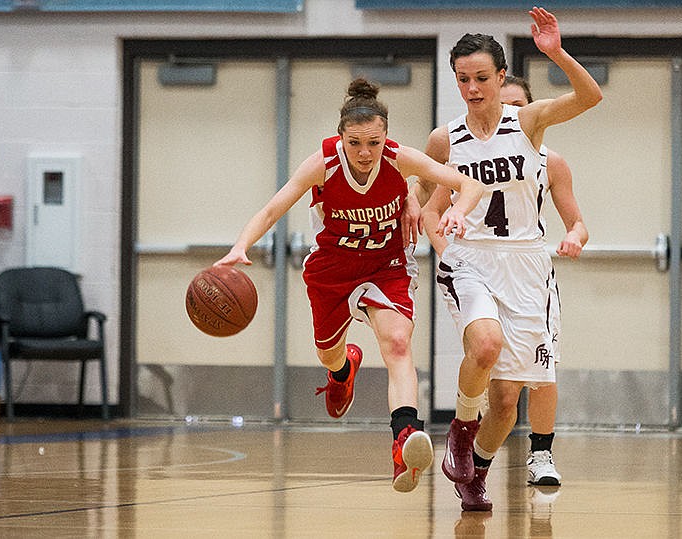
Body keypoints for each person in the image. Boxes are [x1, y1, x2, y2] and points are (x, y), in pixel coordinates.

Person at [215, 77, 483, 493]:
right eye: (355, 142)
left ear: (385, 137)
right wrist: (239, 246)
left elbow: (468, 184)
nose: (364, 152)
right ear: (341, 136)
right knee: (327, 351)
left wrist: (459, 211)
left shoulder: (399, 159)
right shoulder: (322, 164)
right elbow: (273, 209)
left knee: (397, 343)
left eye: (373, 142)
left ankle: (404, 438)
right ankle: (343, 370)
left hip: (386, 264)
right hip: (332, 268)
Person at [420, 7, 602, 511]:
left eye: (482, 78)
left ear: (502, 77)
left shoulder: (528, 120)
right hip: (471, 260)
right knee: (484, 346)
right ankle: (459, 425)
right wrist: (448, 248)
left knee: (506, 399)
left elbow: (591, 97)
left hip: (526, 264)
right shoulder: (444, 140)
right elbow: (428, 211)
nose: (473, 88)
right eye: (462, 80)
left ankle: (476, 469)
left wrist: (556, 53)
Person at [501, 75, 588, 487]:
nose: (513, 114)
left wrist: (573, 235)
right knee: (490, 365)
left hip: (531, 274)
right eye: (505, 107)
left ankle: (541, 453)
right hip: (484, 271)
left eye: (519, 105)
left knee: (542, 368)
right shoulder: (467, 153)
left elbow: (578, 223)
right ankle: (476, 438)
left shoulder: (550, 161)